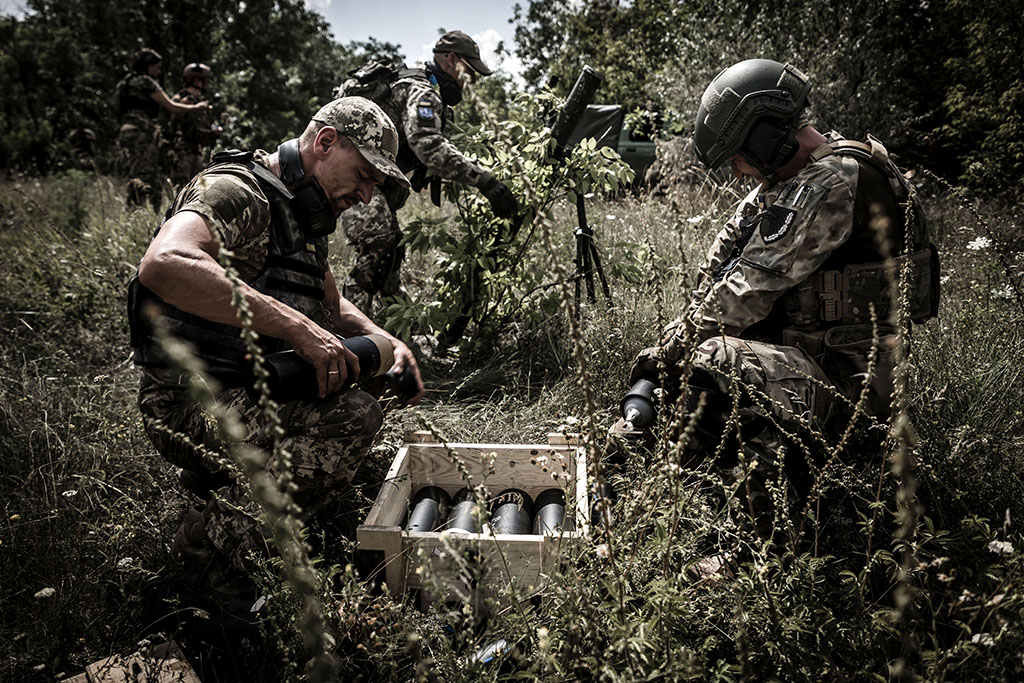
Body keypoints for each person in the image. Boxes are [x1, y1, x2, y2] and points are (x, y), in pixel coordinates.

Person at [616, 59, 939, 548]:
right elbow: (715, 278)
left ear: (765, 138)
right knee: (696, 367)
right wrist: (662, 369)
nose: (735, 169)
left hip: (853, 384)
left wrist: (667, 354)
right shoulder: (784, 186)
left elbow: (745, 292)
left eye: (738, 155)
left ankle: (762, 546)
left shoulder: (833, 182)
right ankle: (672, 478)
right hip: (810, 364)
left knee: (713, 360)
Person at [127, 97, 425, 603]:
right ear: (326, 142)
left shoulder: (301, 216)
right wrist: (295, 327)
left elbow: (332, 303)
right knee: (352, 416)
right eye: (365, 174)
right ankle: (212, 549)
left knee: (377, 373)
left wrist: (391, 346)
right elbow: (164, 262)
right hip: (186, 401)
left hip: (246, 381)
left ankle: (229, 482)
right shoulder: (239, 192)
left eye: (377, 183)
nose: (368, 193)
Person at [334, 30, 519, 311]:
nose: (472, 81)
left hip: (371, 182)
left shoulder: (434, 97)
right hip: (351, 177)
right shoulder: (422, 92)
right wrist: (485, 182)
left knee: (393, 250)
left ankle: (396, 323)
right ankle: (347, 325)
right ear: (450, 59)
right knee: (380, 245)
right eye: (469, 71)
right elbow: (429, 146)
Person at [115, 48, 211, 210]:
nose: (159, 71)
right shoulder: (145, 81)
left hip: (126, 132)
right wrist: (197, 107)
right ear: (148, 65)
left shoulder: (125, 83)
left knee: (137, 174)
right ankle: (136, 213)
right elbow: (172, 107)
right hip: (142, 134)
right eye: (157, 67)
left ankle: (137, 212)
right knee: (145, 178)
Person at [161, 62, 223, 189]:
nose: (207, 83)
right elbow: (169, 123)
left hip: (198, 151)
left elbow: (209, 123)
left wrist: (215, 130)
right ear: (197, 80)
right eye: (205, 80)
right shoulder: (179, 99)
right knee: (180, 188)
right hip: (181, 151)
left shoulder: (202, 102)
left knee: (200, 189)